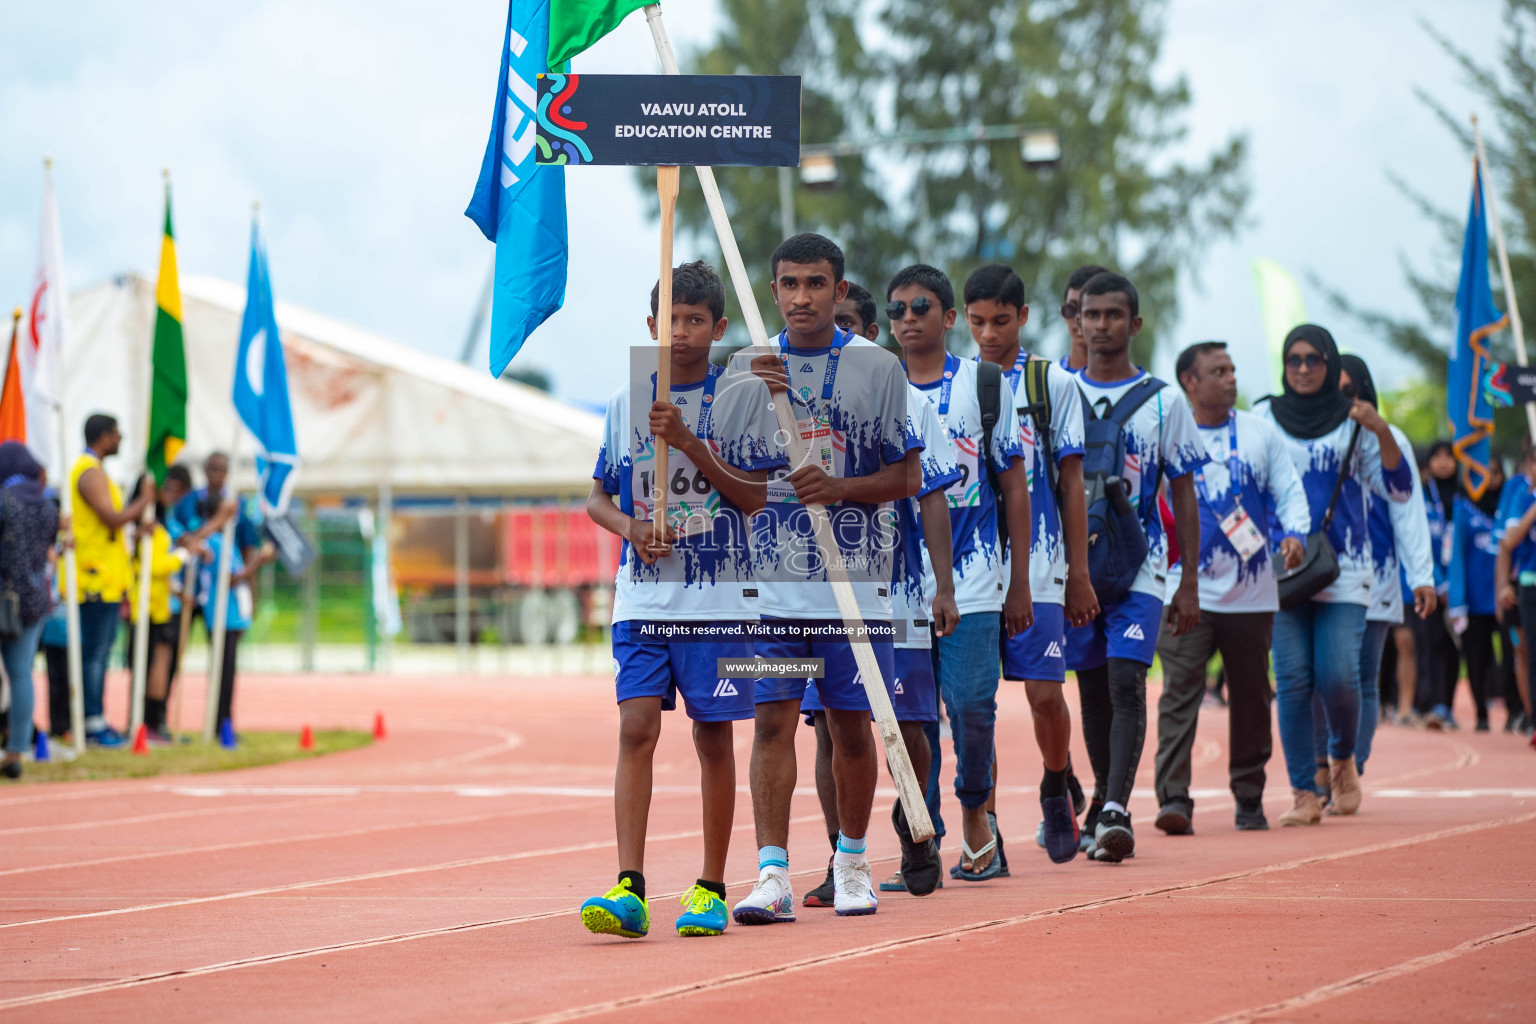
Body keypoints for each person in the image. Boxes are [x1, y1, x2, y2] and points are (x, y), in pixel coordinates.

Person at [578, 261, 780, 940]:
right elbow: (597, 496)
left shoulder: (741, 401)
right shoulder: (625, 400)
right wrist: (631, 527)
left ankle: (711, 886)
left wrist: (690, 441)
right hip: (642, 600)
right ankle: (629, 884)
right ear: (650, 326)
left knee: (711, 736)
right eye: (671, 320)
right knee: (636, 725)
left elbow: (755, 498)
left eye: (697, 321)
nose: (684, 332)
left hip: (718, 601)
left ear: (719, 328)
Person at [733, 233, 921, 921]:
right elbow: (727, 482)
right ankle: (772, 875)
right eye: (789, 284)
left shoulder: (878, 367)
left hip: (859, 587)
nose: (802, 297)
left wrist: (840, 488)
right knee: (771, 724)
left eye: (817, 284)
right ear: (774, 289)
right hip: (775, 589)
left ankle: (852, 862)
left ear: (841, 292)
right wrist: (755, 396)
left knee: (849, 729)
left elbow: (907, 475)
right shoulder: (746, 367)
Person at [801, 285, 956, 906]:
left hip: (895, 593)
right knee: (828, 731)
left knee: (905, 722)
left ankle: (918, 830)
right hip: (814, 595)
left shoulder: (905, 401)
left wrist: (944, 587)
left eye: (848, 326)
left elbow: (932, 493)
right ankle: (843, 858)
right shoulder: (795, 400)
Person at [891, 263, 1032, 881]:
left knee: (972, 704)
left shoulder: (985, 384)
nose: (907, 318)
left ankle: (977, 807)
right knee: (911, 720)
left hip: (973, 578)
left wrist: (1020, 579)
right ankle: (922, 836)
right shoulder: (876, 387)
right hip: (895, 583)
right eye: (896, 310)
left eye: (921, 306)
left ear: (949, 318)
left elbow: (1014, 486)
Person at [1067, 272, 1205, 861]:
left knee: (1127, 680)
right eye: (1090, 315)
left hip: (1141, 567)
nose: (1100, 325)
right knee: (1093, 689)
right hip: (1073, 569)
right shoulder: (1057, 393)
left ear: (1135, 323)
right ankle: (1103, 798)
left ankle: (1117, 807)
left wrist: (1188, 582)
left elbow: (1185, 492)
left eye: (1112, 315)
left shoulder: (1166, 401)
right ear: (1077, 321)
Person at [1254, 326, 1413, 827]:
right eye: (1294, 359)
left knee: (1339, 676)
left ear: (1330, 363)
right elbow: (1249, 482)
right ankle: (1304, 790)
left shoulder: (1353, 423)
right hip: (1283, 570)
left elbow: (1400, 487)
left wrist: (1381, 429)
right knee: (1294, 681)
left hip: (1345, 569)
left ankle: (1342, 762)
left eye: (1314, 360)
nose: (1303, 368)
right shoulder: (1263, 417)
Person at [966, 263, 1096, 863]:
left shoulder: (1053, 385)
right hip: (971, 571)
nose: (988, 334)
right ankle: (985, 823)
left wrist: (1079, 574)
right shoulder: (957, 382)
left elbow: (1072, 484)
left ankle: (1056, 778)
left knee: (1045, 695)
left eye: (1000, 320)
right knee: (976, 704)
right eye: (976, 322)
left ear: (1023, 316)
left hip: (1040, 569)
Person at [1152, 342, 1309, 833]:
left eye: (1232, 369)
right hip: (1183, 590)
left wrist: (1295, 534)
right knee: (1179, 692)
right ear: (1189, 383)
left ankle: (1249, 796)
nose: (1231, 377)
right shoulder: (1165, 434)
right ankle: (1174, 799)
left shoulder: (1261, 433)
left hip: (1251, 593)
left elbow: (1288, 490)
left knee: (1251, 694)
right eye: (1218, 371)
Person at [1328, 355, 1436, 776]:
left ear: (1366, 393)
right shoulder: (1311, 436)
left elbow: (1408, 512)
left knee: (1362, 677)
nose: (1345, 402)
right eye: (1335, 393)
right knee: (1329, 677)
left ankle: (1353, 767)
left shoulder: (1391, 440)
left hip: (1378, 572)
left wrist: (1422, 575)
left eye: (1351, 392)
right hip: (1326, 575)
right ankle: (1325, 766)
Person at [71, 413, 155, 747]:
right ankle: (92, 724)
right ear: (104, 437)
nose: (120, 441)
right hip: (93, 581)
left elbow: (113, 527)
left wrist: (135, 527)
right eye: (117, 435)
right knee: (95, 655)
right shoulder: (89, 473)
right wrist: (145, 500)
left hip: (105, 579)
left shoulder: (97, 471)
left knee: (100, 654)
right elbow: (111, 519)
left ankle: (96, 720)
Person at [0, 443, 60, 778]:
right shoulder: (48, 506)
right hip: (36, 600)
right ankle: (17, 750)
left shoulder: (4, 501)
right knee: (21, 674)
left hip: (2, 597)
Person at [127, 467, 195, 744]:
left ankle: (155, 722)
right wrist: (182, 556)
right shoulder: (144, 525)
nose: (170, 495)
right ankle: (143, 723)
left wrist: (176, 590)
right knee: (145, 666)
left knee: (159, 666)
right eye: (165, 489)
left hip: (160, 605)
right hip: (144, 607)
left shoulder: (163, 523)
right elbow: (153, 566)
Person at [1448, 461, 1506, 731]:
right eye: (1483, 472)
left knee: (1512, 655)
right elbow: (1456, 556)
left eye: (1495, 472)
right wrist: (1457, 602)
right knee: (1476, 659)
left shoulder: (1510, 504)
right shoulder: (1463, 508)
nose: (1489, 478)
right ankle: (1481, 712)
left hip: (1505, 598)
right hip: (1474, 600)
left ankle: (1517, 710)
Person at [1416, 441, 1460, 728]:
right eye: (1437, 457)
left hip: (1457, 588)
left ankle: (1448, 705)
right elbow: (1419, 542)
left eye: (1449, 457)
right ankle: (1431, 704)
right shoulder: (1421, 497)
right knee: (1429, 644)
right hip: (1430, 585)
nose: (1443, 462)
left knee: (1453, 646)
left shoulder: (1464, 496)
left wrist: (1453, 585)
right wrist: (1436, 582)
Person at [1495, 442, 1536, 734]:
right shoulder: (1522, 497)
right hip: (1529, 583)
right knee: (1528, 651)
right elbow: (1508, 541)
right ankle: (1533, 716)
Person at [1057, 264, 1110, 371]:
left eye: (1091, 312)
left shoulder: (1132, 384)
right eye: (1071, 309)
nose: (1079, 319)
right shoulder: (1046, 381)